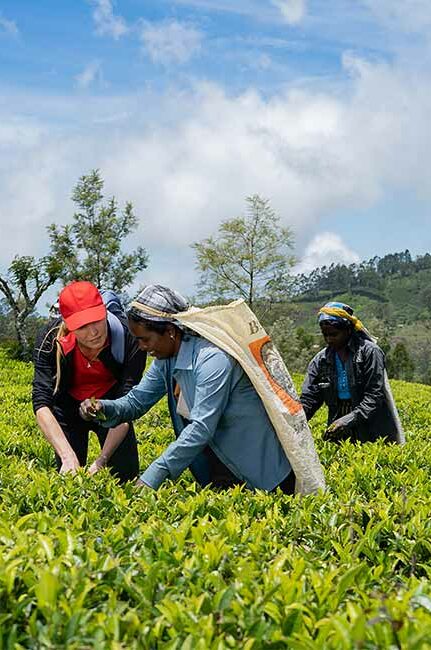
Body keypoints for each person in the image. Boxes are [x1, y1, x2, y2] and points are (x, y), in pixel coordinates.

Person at [80, 285, 295, 493]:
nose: (142, 348)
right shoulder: (166, 360)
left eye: (145, 339)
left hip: (262, 472)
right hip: (219, 468)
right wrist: (102, 407)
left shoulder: (212, 358)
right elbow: (136, 401)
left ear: (171, 331)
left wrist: (153, 475)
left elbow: (201, 427)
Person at [32, 281, 147, 482]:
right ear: (68, 324)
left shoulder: (129, 338)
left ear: (104, 311)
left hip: (112, 406)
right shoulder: (50, 341)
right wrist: (67, 457)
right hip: (67, 408)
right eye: (82, 326)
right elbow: (42, 403)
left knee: (125, 477)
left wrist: (101, 461)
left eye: (96, 320)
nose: (93, 332)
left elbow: (127, 403)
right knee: (70, 479)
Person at [300, 301, 402, 443]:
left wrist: (350, 419)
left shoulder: (369, 352)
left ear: (348, 330)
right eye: (325, 335)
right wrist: (296, 422)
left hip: (371, 424)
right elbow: (309, 398)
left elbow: (374, 396)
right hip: (338, 422)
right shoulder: (321, 360)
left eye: (334, 334)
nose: (329, 339)